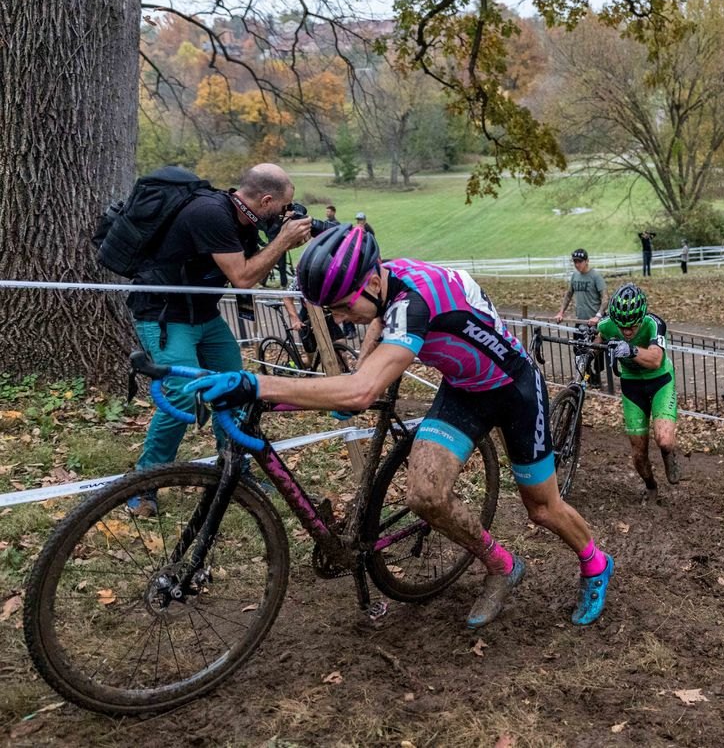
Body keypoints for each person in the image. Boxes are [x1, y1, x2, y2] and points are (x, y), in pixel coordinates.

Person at [185, 226, 614, 627]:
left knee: (542, 509)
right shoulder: (387, 279)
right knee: (425, 495)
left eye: (339, 306)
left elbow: (360, 391)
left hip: (515, 389)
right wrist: (364, 364)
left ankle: (596, 563)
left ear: (369, 284)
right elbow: (376, 318)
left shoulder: (415, 304)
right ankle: (502, 565)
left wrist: (255, 382)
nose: (338, 318)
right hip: (463, 389)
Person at [126, 164, 313, 516]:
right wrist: (282, 240)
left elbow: (252, 268)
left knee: (236, 388)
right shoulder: (211, 213)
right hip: (165, 315)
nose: (284, 215)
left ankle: (233, 467)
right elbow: (243, 278)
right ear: (266, 199)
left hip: (204, 315)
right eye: (282, 207)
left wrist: (279, 240)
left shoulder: (244, 220)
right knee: (183, 398)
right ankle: (144, 482)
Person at [595, 283, 681, 501]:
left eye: (632, 327)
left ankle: (668, 454)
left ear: (641, 317)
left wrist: (631, 349)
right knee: (638, 453)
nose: (626, 332)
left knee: (664, 440)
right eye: (621, 327)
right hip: (632, 384)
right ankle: (651, 486)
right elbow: (598, 341)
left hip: (660, 380)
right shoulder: (607, 325)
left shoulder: (655, 323)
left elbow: (655, 359)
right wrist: (587, 348)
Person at [554, 248, 608, 387]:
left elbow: (605, 298)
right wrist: (561, 312)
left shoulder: (596, 277)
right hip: (581, 321)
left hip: (595, 323)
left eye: (580, 262)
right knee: (578, 350)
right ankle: (587, 376)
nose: (577, 264)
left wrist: (598, 316)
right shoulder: (574, 276)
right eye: (575, 262)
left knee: (596, 352)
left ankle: (596, 376)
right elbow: (568, 294)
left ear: (587, 261)